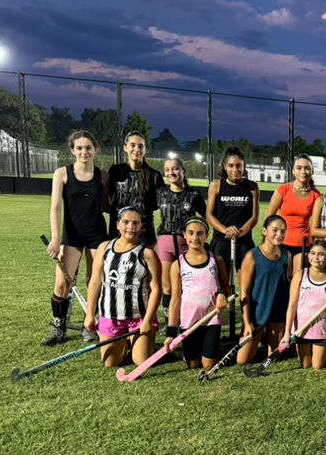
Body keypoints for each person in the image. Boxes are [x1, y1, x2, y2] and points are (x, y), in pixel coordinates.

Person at [43, 130, 108, 346]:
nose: (84, 152)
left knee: (94, 281)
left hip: (97, 235)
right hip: (71, 236)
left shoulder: (103, 176)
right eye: (79, 148)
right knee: (62, 284)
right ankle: (58, 327)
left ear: (95, 149)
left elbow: (110, 206)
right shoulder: (62, 174)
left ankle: (89, 325)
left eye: (88, 147)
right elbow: (55, 208)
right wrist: (55, 238)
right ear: (72, 150)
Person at [84, 207, 161, 367]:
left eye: (136, 223)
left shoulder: (147, 254)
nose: (130, 227)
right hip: (110, 315)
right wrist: (90, 314)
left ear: (142, 227)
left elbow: (156, 289)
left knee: (141, 362)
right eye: (125, 222)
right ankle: (125, 342)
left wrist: (147, 320)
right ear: (118, 225)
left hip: (138, 317)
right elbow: (95, 282)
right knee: (110, 363)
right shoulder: (104, 248)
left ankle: (138, 341)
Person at [206, 147, 259, 338]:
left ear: (244, 167)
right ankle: (216, 327)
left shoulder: (252, 186)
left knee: (247, 284)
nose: (235, 169)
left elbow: (254, 217)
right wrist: (225, 230)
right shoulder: (216, 186)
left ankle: (249, 325)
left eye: (239, 165)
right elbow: (209, 215)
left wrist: (240, 231)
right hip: (221, 241)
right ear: (225, 166)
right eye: (231, 165)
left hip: (243, 241)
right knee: (221, 284)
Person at [163, 216, 228, 371]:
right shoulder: (177, 264)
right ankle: (194, 352)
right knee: (192, 365)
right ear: (184, 235)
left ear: (207, 235)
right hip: (189, 321)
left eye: (200, 234)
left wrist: (222, 294)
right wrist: (171, 332)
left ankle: (212, 352)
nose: (195, 238)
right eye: (191, 233)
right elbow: (175, 300)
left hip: (211, 319)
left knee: (208, 366)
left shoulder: (216, 260)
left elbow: (226, 286)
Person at [156, 157, 206, 332]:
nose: (171, 173)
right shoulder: (160, 192)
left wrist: (196, 233)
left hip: (186, 245)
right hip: (165, 243)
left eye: (175, 169)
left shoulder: (193, 194)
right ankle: (170, 321)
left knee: (186, 285)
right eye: (167, 170)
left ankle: (186, 317)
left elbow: (207, 216)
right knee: (168, 286)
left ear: (183, 171)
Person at [236, 215, 292, 365]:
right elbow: (244, 292)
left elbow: (289, 284)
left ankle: (268, 337)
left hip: (278, 311)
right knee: (242, 360)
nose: (279, 235)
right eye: (275, 230)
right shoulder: (252, 256)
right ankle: (258, 337)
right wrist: (247, 322)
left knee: (274, 358)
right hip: (258, 313)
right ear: (264, 231)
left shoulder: (287, 255)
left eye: (283, 231)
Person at [282, 240, 326, 370]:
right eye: (313, 253)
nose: (316, 257)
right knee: (305, 365)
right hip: (301, 329)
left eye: (321, 254)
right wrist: (287, 333)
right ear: (308, 256)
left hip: (322, 330)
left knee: (317, 366)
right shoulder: (300, 275)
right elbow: (292, 305)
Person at [106, 131, 164, 248]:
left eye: (140, 146)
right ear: (125, 148)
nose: (136, 149)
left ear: (145, 150)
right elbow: (108, 198)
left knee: (142, 265)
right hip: (118, 229)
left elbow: (157, 204)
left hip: (144, 231)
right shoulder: (116, 171)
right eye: (132, 145)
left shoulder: (154, 175)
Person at [265, 153, 321, 272]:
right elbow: (269, 219)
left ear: (312, 171)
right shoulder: (283, 190)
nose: (303, 171)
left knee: (297, 280)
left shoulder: (316, 195)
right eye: (299, 168)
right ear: (293, 171)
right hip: (281, 242)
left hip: (303, 245)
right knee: (281, 280)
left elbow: (316, 224)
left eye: (307, 168)